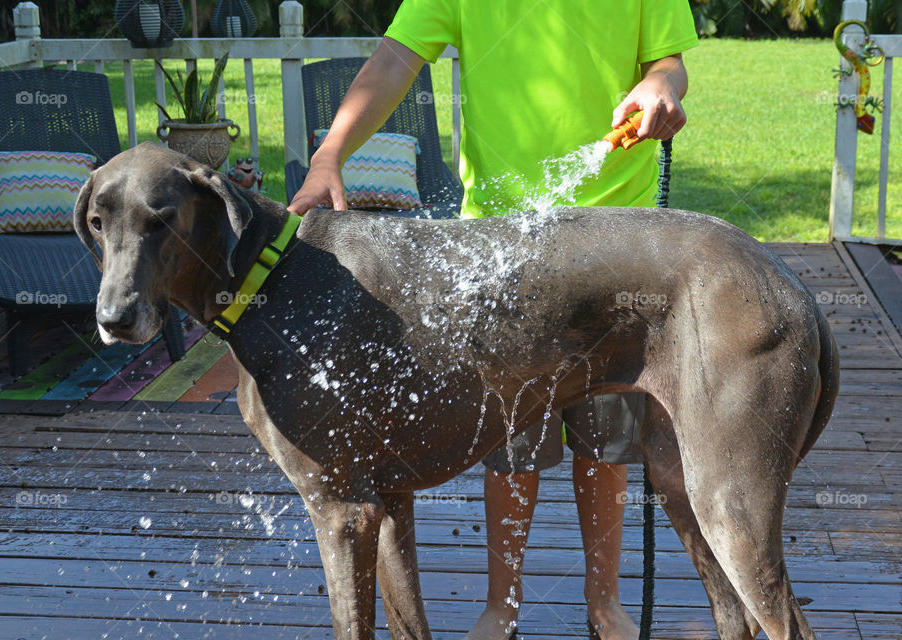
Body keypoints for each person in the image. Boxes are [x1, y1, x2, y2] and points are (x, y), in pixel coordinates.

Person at [287, 3, 698, 639]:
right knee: (509, 433)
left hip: (617, 233)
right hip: (503, 236)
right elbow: (396, 59)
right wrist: (331, 152)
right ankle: (501, 605)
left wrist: (662, 84)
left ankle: (603, 602)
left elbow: (668, 63)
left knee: (607, 430)